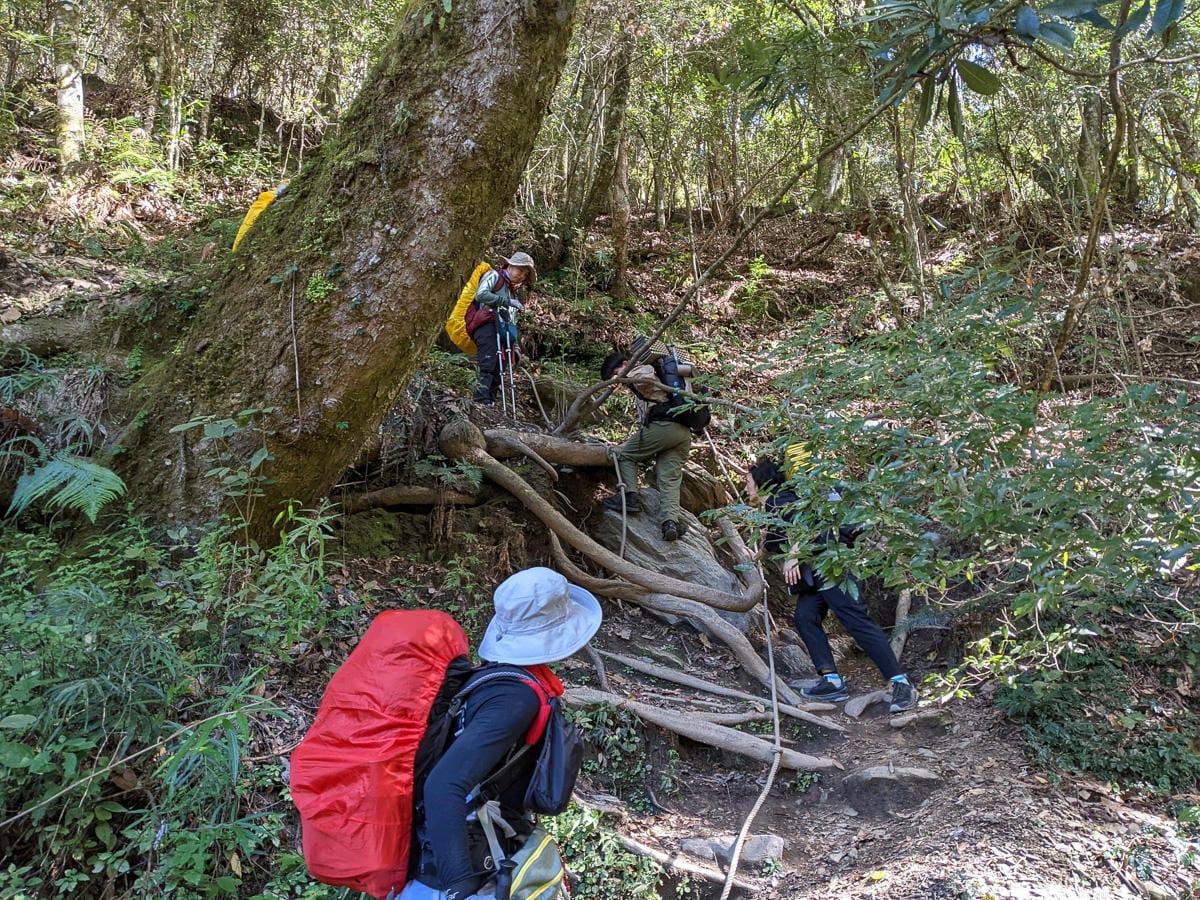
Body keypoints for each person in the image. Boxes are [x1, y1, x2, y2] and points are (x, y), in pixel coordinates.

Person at [400, 566, 601, 900]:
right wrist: (459, 881)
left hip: (456, 861)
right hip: (461, 877)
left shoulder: (491, 681)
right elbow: (443, 785)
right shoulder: (515, 698)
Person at [746, 452, 919, 713]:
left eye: (747, 482)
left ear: (761, 482)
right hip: (815, 572)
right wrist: (757, 554)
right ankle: (831, 680)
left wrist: (794, 553)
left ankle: (900, 683)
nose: (745, 488)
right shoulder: (775, 505)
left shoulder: (783, 499)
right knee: (805, 617)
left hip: (830, 564)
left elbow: (812, 523)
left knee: (854, 619)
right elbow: (774, 539)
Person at [599, 348, 693, 542]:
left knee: (625, 455)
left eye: (614, 375)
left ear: (623, 365)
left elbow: (644, 379)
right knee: (669, 478)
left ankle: (630, 498)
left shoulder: (638, 370)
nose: (616, 382)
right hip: (683, 432)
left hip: (665, 426)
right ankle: (669, 523)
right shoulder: (661, 375)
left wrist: (625, 375)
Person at [470, 252, 535, 406]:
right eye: (520, 270)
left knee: (499, 369)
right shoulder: (494, 276)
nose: (521, 276)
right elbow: (481, 295)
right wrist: (505, 301)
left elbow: (511, 320)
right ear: (510, 265)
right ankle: (480, 401)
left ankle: (490, 402)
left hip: (503, 332)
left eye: (525, 274)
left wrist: (516, 345)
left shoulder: (511, 291)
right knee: (487, 364)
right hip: (487, 326)